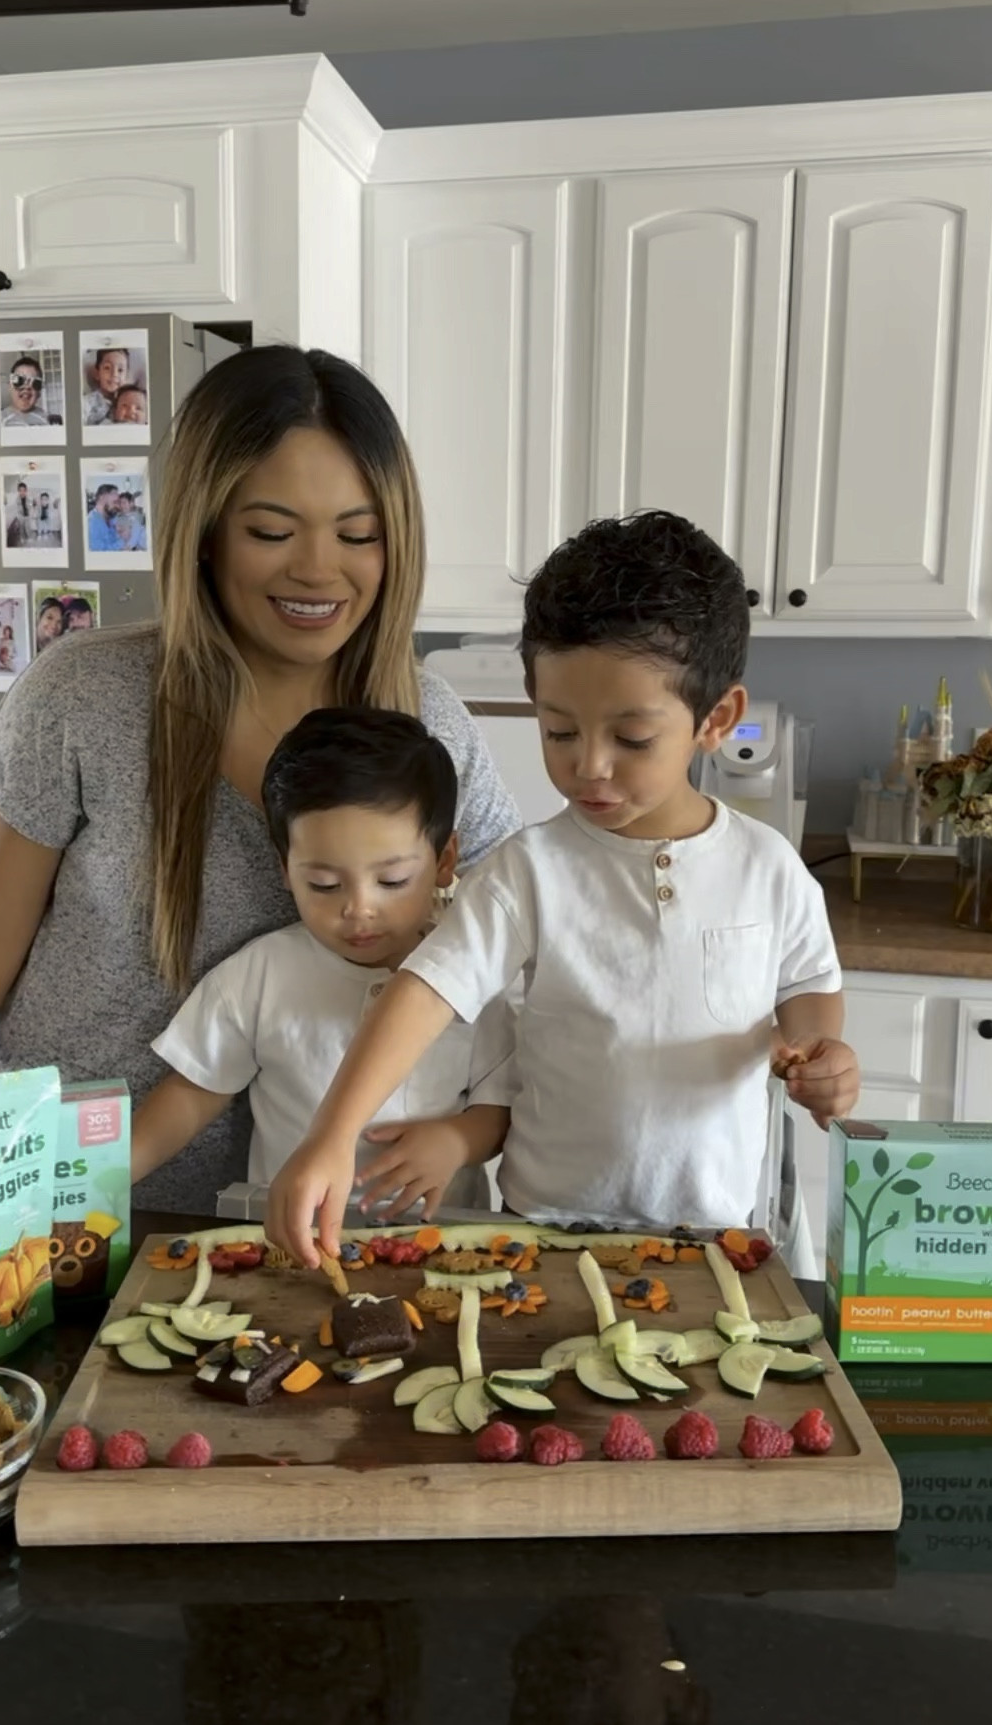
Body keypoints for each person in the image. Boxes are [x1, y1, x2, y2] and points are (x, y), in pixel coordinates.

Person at [0, 345, 519, 1215]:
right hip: (56, 1193)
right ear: (203, 532)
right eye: (272, 532)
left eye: (358, 535)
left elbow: (522, 937)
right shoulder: (82, 696)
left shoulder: (429, 727)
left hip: (288, 1230)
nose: (319, 570)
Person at [268, 510, 860, 1272]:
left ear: (716, 719)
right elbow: (424, 993)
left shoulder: (769, 866)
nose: (590, 767)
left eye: (631, 738)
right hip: (541, 1232)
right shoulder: (530, 869)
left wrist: (824, 1054)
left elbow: (808, 986)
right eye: (559, 731)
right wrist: (331, 1134)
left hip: (713, 1237)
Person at [132, 709, 513, 1214]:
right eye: (325, 886)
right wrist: (105, 1174)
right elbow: (193, 1092)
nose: (358, 908)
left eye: (392, 881)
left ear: (445, 860)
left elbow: (500, 1105)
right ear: (284, 867)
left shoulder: (474, 973)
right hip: (295, 1243)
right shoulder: (261, 974)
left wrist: (457, 1141)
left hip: (437, 1243)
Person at [0, 356, 50, 430]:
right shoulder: (0, 420)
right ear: (10, 386)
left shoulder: (47, 421)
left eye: (35, 383)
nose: (26, 387)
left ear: (39, 393)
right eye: (19, 380)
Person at [83, 347, 129, 425]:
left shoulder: (131, 402)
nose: (114, 374)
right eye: (107, 368)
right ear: (97, 373)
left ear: (126, 377)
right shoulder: (88, 402)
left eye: (120, 370)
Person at [85, 483, 120, 553]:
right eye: (114, 502)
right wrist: (123, 543)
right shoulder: (92, 522)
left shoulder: (110, 518)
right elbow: (99, 553)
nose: (117, 506)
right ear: (102, 497)